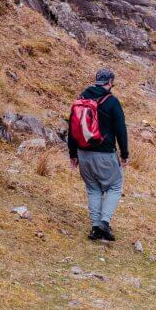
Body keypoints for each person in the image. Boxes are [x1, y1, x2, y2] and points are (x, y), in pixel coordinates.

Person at [68, 67, 129, 241]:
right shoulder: (112, 102)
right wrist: (124, 153)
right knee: (115, 186)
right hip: (105, 154)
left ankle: (95, 228)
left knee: (93, 189)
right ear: (110, 82)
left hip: (83, 154)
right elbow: (121, 130)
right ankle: (104, 222)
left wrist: (73, 154)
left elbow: (72, 130)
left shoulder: (80, 100)